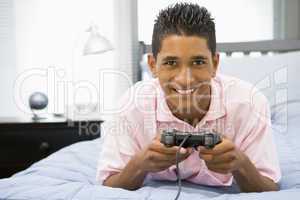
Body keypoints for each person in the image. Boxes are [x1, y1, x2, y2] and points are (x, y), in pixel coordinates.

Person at [96, 3, 281, 192]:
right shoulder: (131, 105)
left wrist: (241, 165)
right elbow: (108, 184)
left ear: (215, 64)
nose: (185, 79)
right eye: (170, 63)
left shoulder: (250, 103)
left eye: (198, 62)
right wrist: (139, 164)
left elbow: (269, 187)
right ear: (153, 65)